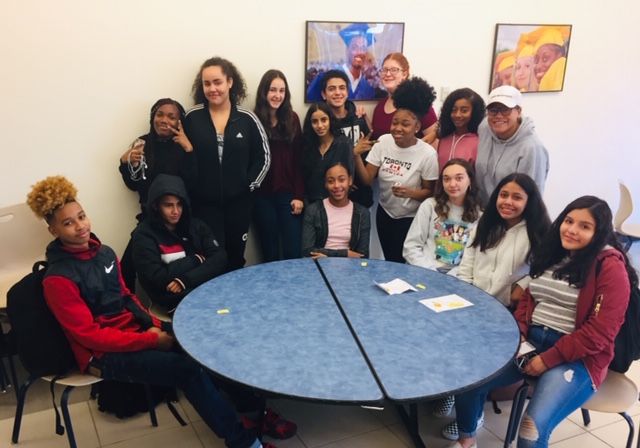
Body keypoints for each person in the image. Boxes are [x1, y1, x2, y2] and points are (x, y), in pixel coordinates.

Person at [26, 175, 274, 448]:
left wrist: (155, 324)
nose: (80, 226)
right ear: (53, 231)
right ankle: (243, 442)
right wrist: (152, 339)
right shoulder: (57, 279)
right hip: (101, 356)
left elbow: (126, 296)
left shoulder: (104, 253)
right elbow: (90, 336)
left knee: (206, 345)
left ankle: (254, 411)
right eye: (68, 223)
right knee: (187, 370)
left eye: (81, 217)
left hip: (135, 331)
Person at [450, 195, 636, 448]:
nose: (572, 230)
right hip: (533, 341)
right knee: (468, 381)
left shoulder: (610, 267)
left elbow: (600, 333)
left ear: (599, 232)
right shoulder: (554, 251)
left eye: (584, 226)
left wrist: (548, 359)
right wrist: (521, 334)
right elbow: (529, 298)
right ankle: (466, 441)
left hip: (578, 358)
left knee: (531, 429)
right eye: (568, 221)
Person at [437, 173, 551, 439]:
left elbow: (544, 274)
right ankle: (451, 392)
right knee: (445, 338)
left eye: (516, 197)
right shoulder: (484, 224)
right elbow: (467, 264)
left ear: (529, 201)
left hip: (506, 315)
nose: (507, 202)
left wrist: (524, 283)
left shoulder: (539, 233)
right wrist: (466, 298)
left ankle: (473, 417)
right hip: (473, 303)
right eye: (503, 195)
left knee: (477, 365)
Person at [183, 57, 270, 272]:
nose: (212, 89)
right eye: (207, 83)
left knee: (235, 260)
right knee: (209, 260)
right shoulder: (193, 118)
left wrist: (248, 185)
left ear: (230, 82)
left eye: (217, 82)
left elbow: (264, 157)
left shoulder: (247, 119)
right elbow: (180, 156)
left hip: (238, 206)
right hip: (203, 206)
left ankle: (234, 304)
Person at [354, 77, 439, 263]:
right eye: (395, 122)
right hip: (385, 213)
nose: (397, 128)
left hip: (411, 218)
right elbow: (368, 179)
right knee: (389, 260)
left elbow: (429, 192)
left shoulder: (428, 154)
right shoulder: (383, 142)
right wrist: (355, 156)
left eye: (405, 124)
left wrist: (410, 193)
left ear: (417, 127)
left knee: (405, 262)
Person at [117, 98, 196, 292]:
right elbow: (133, 185)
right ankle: (130, 312)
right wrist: (126, 163)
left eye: (171, 116)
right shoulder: (142, 144)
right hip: (149, 220)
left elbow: (193, 184)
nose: (164, 120)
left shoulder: (184, 146)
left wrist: (189, 151)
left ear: (179, 122)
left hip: (178, 221)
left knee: (180, 269)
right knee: (127, 266)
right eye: (159, 114)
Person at [131, 174, 227, 313]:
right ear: (156, 206)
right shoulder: (144, 235)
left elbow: (220, 259)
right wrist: (196, 259)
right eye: (168, 205)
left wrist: (185, 280)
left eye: (179, 204)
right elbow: (155, 280)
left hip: (208, 292)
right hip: (175, 302)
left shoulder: (196, 226)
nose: (176, 211)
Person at [252, 69, 305, 262]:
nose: (277, 95)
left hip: (289, 195)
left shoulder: (293, 118)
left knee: (293, 252)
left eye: (282, 90)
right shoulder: (253, 120)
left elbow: (299, 160)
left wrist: (299, 196)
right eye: (272, 90)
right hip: (262, 197)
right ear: (264, 92)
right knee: (270, 253)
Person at [475, 85, 549, 205]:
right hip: (481, 212)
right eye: (493, 110)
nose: (498, 115)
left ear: (519, 111)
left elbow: (533, 196)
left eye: (505, 109)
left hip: (510, 215)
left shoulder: (532, 148)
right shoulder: (484, 128)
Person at [403, 159, 482, 271]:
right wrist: (431, 272)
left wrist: (453, 277)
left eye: (459, 178)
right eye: (447, 179)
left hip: (457, 276)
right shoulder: (429, 205)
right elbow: (411, 247)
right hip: (424, 269)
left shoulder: (480, 215)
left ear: (470, 181)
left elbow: (475, 259)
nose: (452, 184)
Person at [320, 69, 373, 207]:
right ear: (324, 94)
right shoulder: (321, 124)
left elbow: (370, 157)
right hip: (332, 195)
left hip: (360, 196)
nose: (337, 93)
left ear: (347, 92)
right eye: (332, 89)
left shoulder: (359, 120)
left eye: (342, 88)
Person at [301, 162, 370, 258]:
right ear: (325, 183)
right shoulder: (313, 210)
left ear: (350, 180)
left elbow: (362, 255)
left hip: (351, 267)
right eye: (330, 181)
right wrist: (346, 253)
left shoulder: (362, 213)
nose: (337, 185)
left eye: (342, 180)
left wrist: (327, 254)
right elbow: (307, 250)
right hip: (320, 264)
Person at [369, 53, 438, 141]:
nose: (388, 74)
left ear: (404, 74)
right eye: (384, 70)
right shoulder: (380, 107)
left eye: (394, 70)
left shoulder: (418, 102)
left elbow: (434, 142)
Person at [306, 23, 376, 101]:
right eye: (355, 47)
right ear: (347, 51)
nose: (359, 52)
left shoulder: (367, 88)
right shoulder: (323, 79)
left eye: (363, 48)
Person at [301, 102, 354, 204]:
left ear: (330, 120)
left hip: (336, 203)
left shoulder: (344, 143)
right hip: (312, 205)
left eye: (324, 120)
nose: (320, 125)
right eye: (315, 121)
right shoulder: (306, 145)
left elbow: (348, 180)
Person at [433, 88, 486, 172]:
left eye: (464, 110)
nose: (457, 115)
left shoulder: (479, 141)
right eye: (454, 110)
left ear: (474, 112)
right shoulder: (444, 138)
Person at [531, 26, 570, 91]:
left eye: (545, 58)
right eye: (536, 61)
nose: (538, 66)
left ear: (560, 56)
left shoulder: (562, 63)